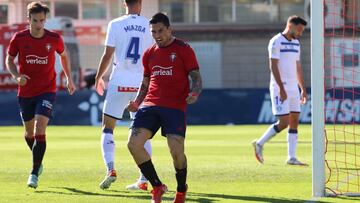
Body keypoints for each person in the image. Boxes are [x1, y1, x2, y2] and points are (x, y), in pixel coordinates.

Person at [126, 12, 202, 203]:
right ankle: (157, 186)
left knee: (176, 152)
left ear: (170, 29)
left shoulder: (184, 49)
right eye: (153, 32)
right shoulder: (149, 53)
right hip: (150, 104)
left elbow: (196, 77)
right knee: (133, 144)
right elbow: (145, 82)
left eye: (160, 31)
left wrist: (194, 93)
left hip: (174, 107)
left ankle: (181, 189)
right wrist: (136, 102)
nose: (157, 35)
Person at [5, 1, 76, 188]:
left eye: (42, 20)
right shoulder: (19, 38)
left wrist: (69, 78)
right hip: (26, 92)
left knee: (39, 130)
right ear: (28, 19)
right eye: (35, 20)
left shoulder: (54, 38)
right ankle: (39, 161)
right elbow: (9, 59)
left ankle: (34, 173)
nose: (39, 25)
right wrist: (16, 75)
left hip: (47, 90)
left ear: (46, 19)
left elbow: (64, 55)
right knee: (29, 134)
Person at [94, 0, 153, 190]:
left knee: (108, 128)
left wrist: (98, 77)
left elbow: (108, 54)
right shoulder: (149, 25)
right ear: (141, 3)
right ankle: (144, 178)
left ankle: (110, 169)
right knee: (142, 132)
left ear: (123, 3)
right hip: (140, 85)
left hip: (119, 82)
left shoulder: (115, 24)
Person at [252, 15, 308, 166]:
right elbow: (273, 66)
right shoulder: (276, 41)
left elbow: (298, 68)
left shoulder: (296, 43)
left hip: (293, 88)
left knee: (295, 120)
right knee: (284, 122)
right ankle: (259, 143)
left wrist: (302, 89)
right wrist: (281, 89)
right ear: (290, 25)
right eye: (299, 29)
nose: (300, 33)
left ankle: (291, 157)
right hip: (279, 87)